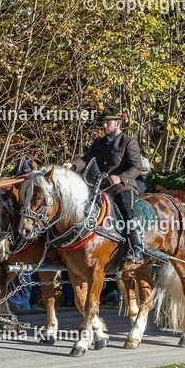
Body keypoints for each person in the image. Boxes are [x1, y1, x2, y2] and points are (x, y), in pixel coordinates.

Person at [69, 107, 146, 266]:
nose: (104, 126)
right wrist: (71, 165)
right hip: (101, 188)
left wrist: (121, 177)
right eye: (103, 123)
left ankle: (137, 250)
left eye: (108, 123)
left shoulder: (128, 142)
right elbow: (85, 160)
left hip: (123, 187)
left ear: (117, 123)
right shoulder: (98, 143)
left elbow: (137, 168)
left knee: (127, 212)